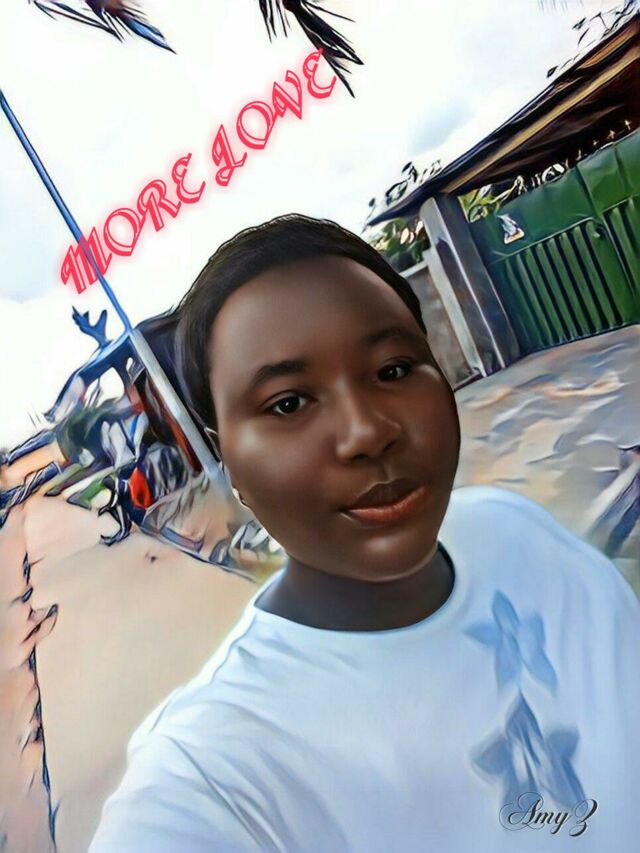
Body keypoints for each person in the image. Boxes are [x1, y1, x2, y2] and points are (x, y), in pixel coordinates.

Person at [90, 214, 640, 852]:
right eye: (289, 403)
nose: (367, 432)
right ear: (227, 460)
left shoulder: (520, 533)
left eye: (394, 370)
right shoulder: (214, 774)